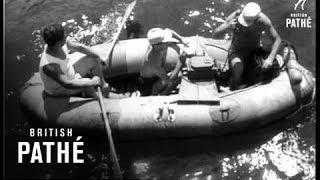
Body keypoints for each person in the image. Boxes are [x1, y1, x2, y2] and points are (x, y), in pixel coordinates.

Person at [213, 2, 282, 90]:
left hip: (254, 51)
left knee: (262, 72)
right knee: (238, 67)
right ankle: (233, 87)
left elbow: (277, 39)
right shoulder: (235, 17)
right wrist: (227, 27)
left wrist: (270, 59)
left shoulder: (263, 21)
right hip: (237, 51)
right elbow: (215, 34)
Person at [39, 23, 109, 98]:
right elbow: (67, 84)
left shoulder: (57, 44)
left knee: (93, 59)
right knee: (87, 83)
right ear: (59, 41)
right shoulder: (50, 65)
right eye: (64, 35)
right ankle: (95, 97)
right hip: (60, 89)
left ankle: (104, 85)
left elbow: (80, 48)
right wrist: (91, 82)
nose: (66, 36)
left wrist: (99, 56)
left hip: (70, 74)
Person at [140, 28, 190, 95]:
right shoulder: (153, 61)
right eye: (166, 42)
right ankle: (163, 93)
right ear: (157, 45)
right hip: (150, 83)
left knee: (175, 73)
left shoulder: (155, 44)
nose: (168, 42)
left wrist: (181, 39)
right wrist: (180, 62)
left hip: (158, 73)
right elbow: (168, 80)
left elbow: (168, 30)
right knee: (179, 76)